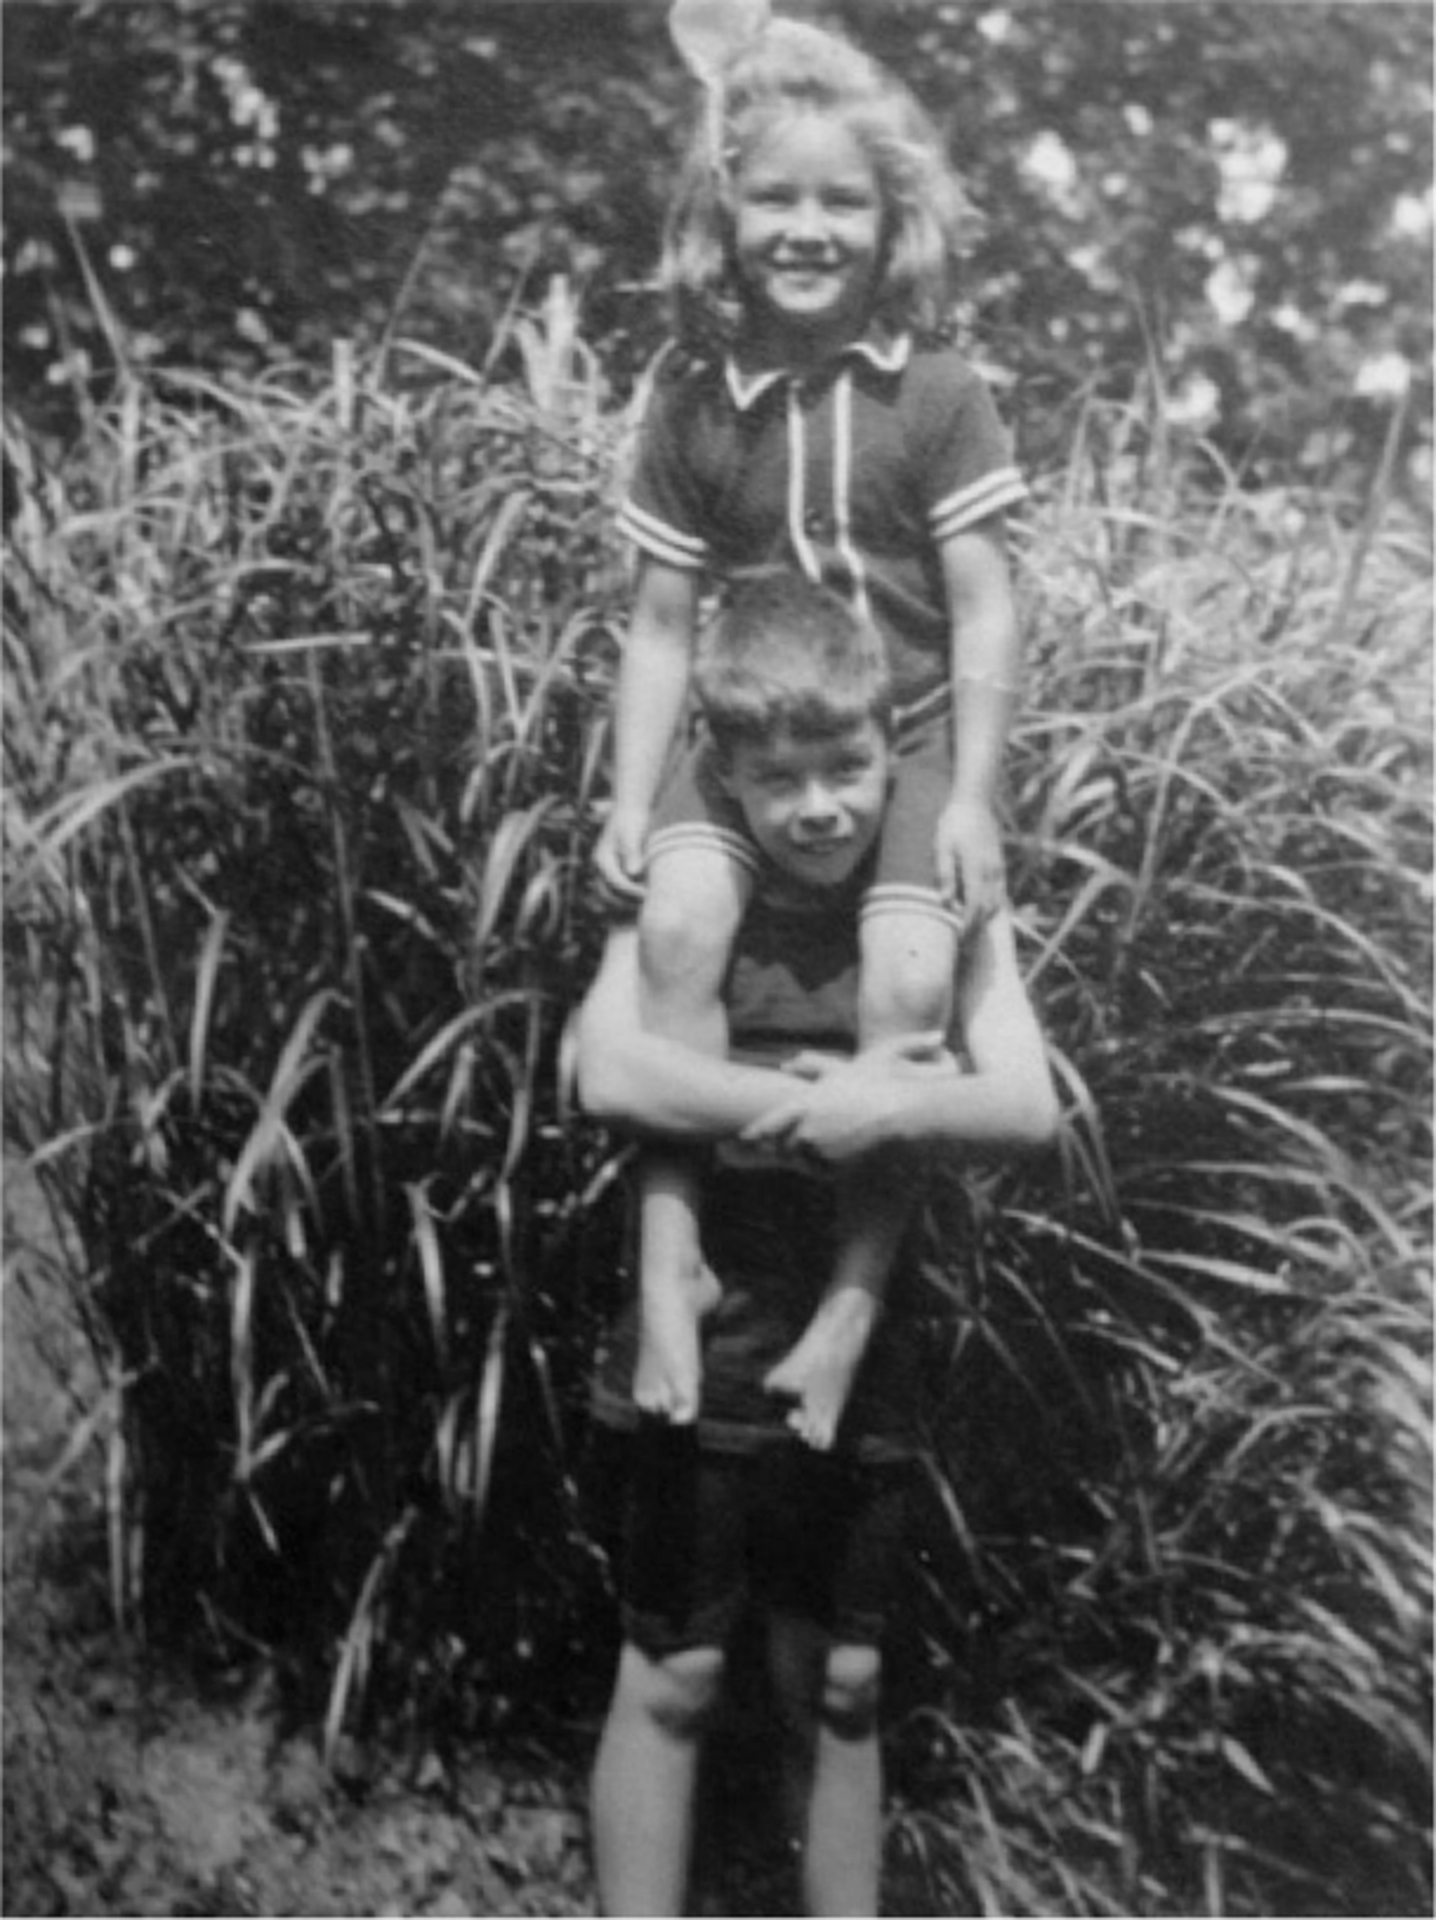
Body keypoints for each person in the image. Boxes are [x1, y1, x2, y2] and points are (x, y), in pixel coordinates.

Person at [576, 572, 1058, 1916]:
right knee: (669, 1665)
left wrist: (890, 1102)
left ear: (888, 741)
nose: (821, 808)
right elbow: (605, 1073)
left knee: (837, 1676)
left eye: (847, 767)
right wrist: (829, 1106)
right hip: (707, 1282)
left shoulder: (938, 885)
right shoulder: (687, 885)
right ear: (724, 773)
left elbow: (1026, 1103)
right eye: (779, 780)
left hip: (867, 1293)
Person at [593, 14, 1029, 1439]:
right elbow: (661, 624)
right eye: (775, 197)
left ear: (891, 218)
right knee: (674, 927)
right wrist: (630, 796)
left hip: (889, 747)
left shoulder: (939, 397)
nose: (806, 227)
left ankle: (847, 1310)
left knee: (908, 979)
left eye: (842, 200)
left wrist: (967, 796)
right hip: (749, 746)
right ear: (726, 215)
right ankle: (673, 1262)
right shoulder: (690, 400)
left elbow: (980, 611)